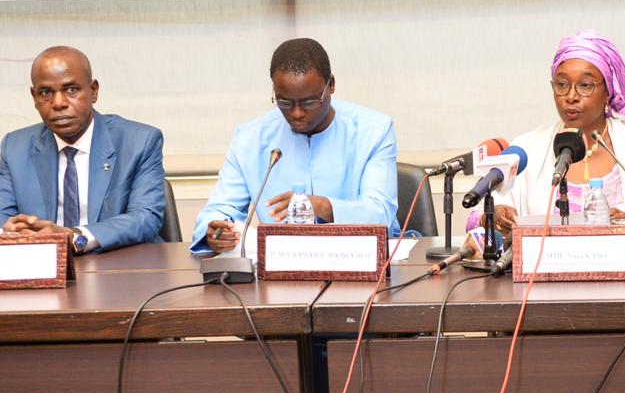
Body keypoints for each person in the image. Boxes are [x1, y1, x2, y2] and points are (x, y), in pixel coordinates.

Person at [472, 29, 625, 236]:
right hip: (543, 266)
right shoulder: (527, 148)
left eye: (585, 85)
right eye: (562, 84)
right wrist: (493, 216)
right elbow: (475, 217)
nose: (571, 96)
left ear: (608, 91)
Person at [191, 37, 399, 253]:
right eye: (284, 102)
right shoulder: (250, 138)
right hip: (280, 262)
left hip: (359, 258)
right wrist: (216, 231)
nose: (297, 113)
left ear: (331, 85)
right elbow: (220, 208)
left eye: (309, 101)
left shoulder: (373, 131)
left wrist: (323, 207)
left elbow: (380, 213)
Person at [0, 46, 165, 254]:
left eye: (71, 90)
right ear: (34, 97)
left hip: (120, 263)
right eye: (46, 93)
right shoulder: (14, 147)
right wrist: (14, 232)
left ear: (93, 91)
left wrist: (74, 237)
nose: (58, 103)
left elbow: (145, 218)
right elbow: (3, 219)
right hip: (43, 264)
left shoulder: (140, 141)